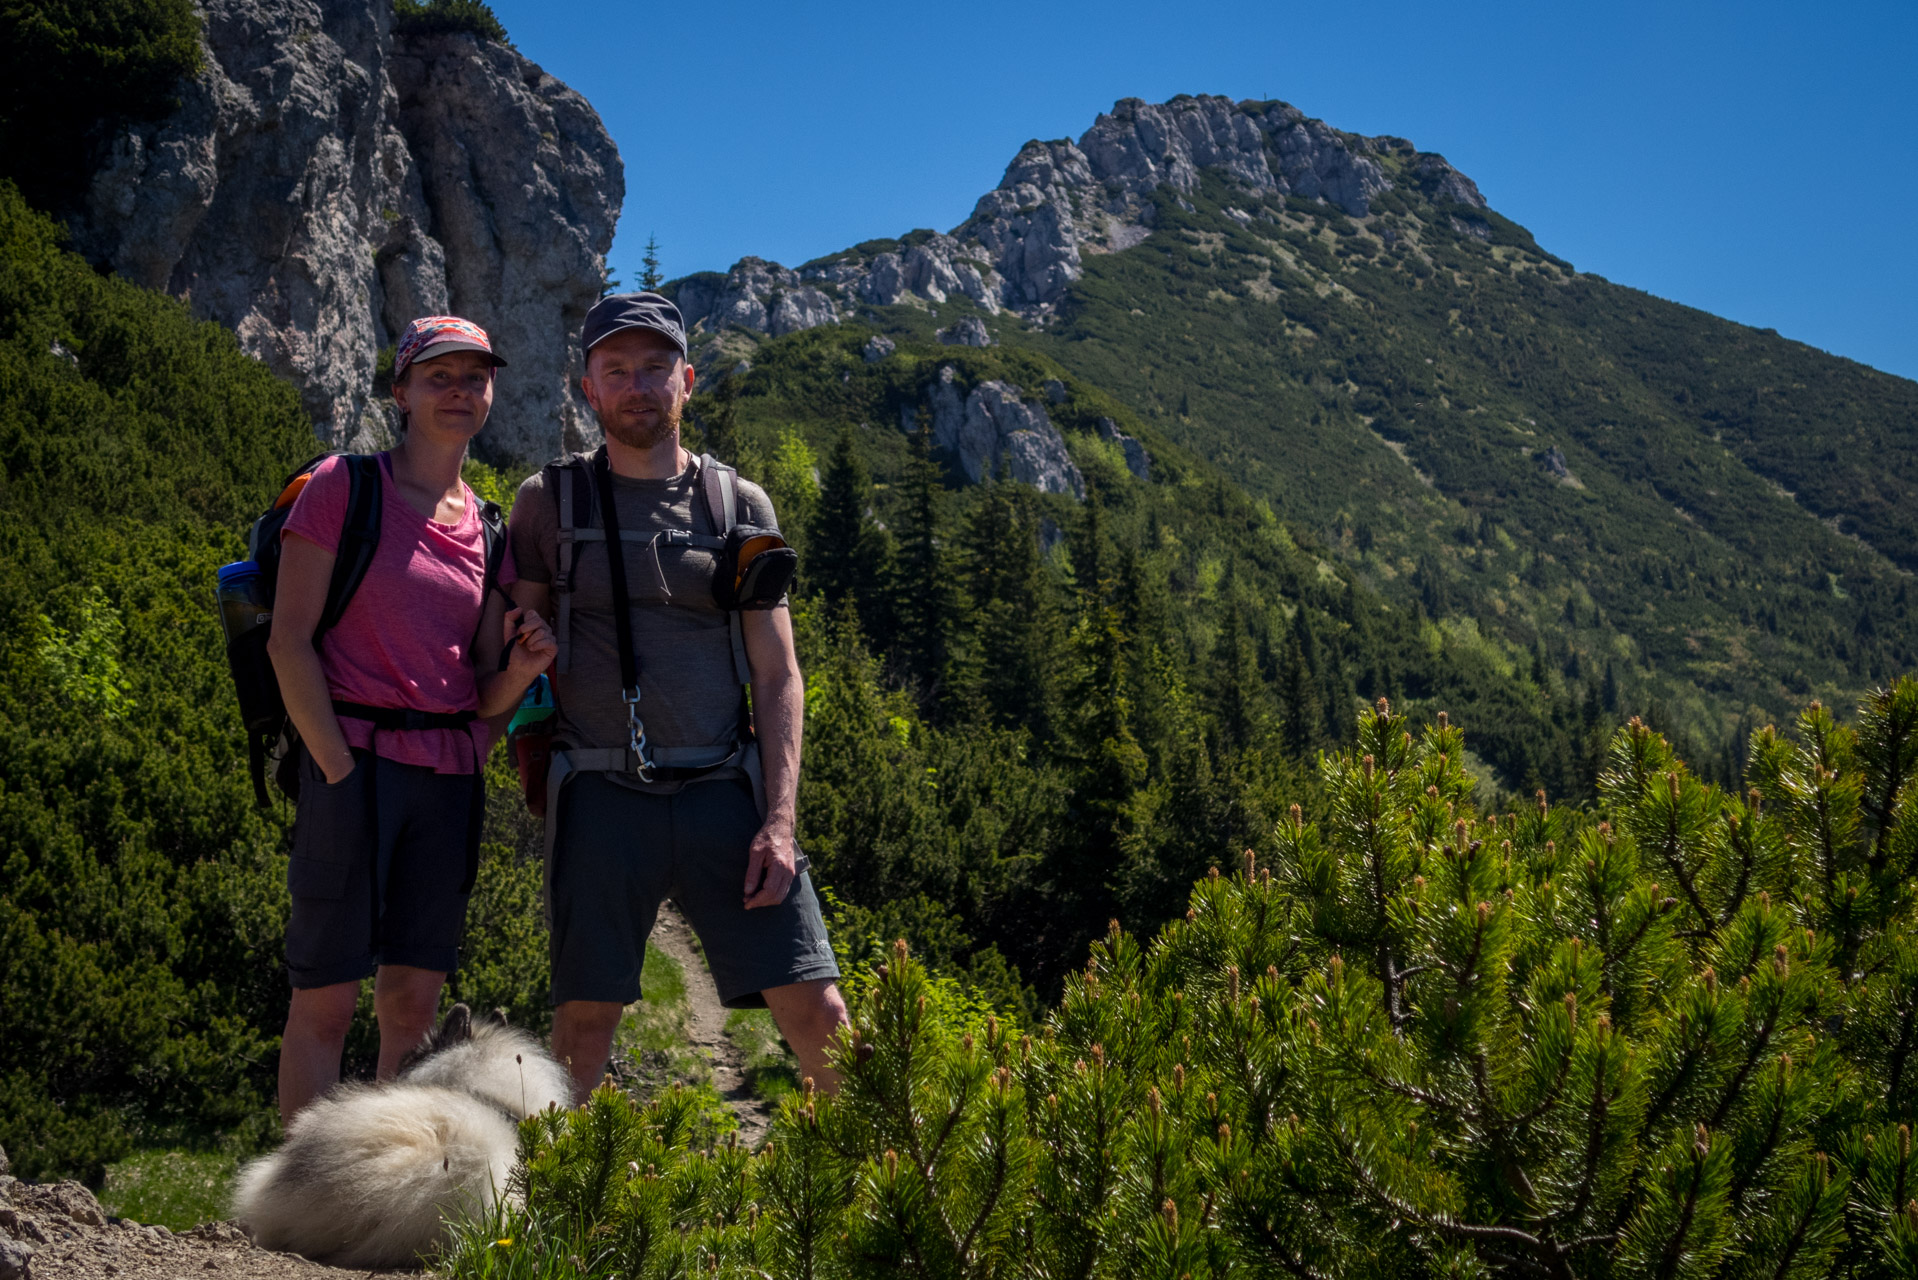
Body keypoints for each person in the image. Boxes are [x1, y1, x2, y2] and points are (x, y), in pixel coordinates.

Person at [507, 293, 847, 1101]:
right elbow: (515, 648)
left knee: (819, 1009)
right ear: (588, 389)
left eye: (656, 369)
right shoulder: (546, 504)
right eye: (616, 371)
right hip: (596, 793)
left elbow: (777, 673)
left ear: (687, 381)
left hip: (725, 792)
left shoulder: (738, 507)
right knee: (582, 1025)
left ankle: (898, 1206)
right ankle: (541, 1216)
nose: (638, 386)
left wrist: (779, 819)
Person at [268, 315, 557, 1122]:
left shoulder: (489, 528)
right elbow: (289, 641)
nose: (460, 391)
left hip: (445, 785)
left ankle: (372, 1189)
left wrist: (521, 674)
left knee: (411, 1011)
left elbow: (481, 692)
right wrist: (334, 766)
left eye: (475, 377)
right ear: (400, 392)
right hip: (352, 766)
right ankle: (300, 1212)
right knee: (323, 1003)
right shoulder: (343, 488)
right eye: (440, 376)